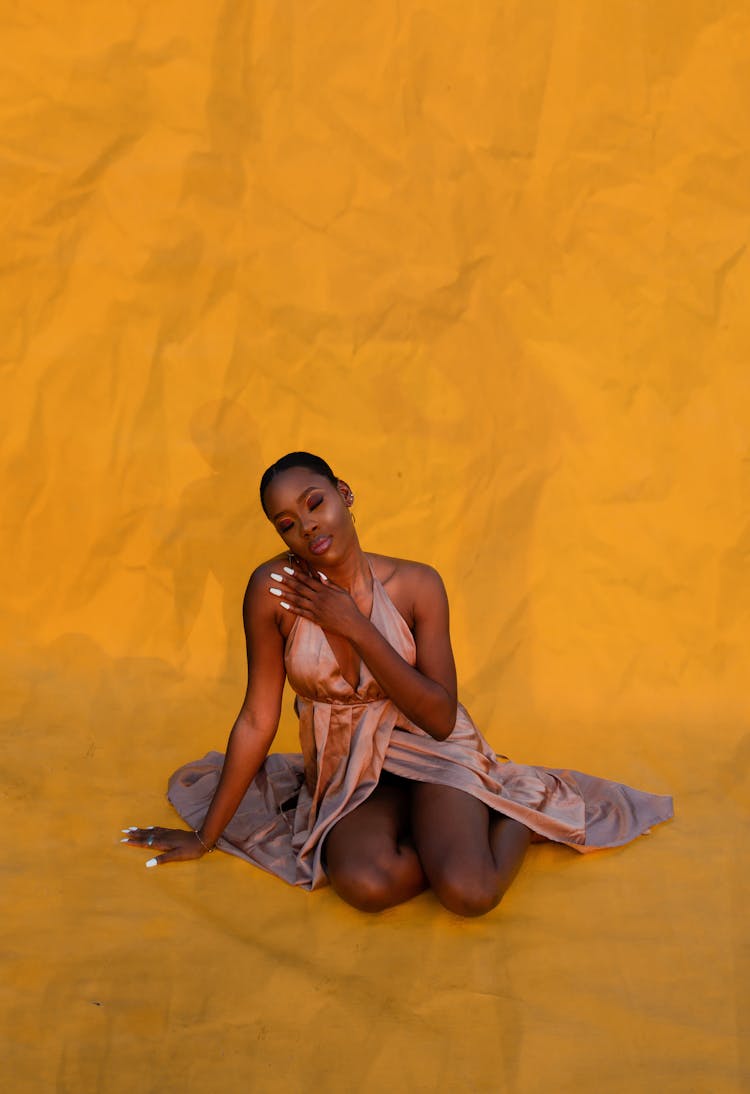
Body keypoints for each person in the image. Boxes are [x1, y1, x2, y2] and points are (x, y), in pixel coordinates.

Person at [122, 452, 673, 917]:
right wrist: (204, 838)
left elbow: (438, 718)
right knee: (363, 885)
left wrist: (355, 627)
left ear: (344, 493)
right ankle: (455, 831)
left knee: (470, 892)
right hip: (346, 768)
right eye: (286, 522)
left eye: (315, 502)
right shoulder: (273, 591)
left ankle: (510, 817)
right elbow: (258, 717)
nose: (307, 525)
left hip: (433, 752)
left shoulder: (416, 584)